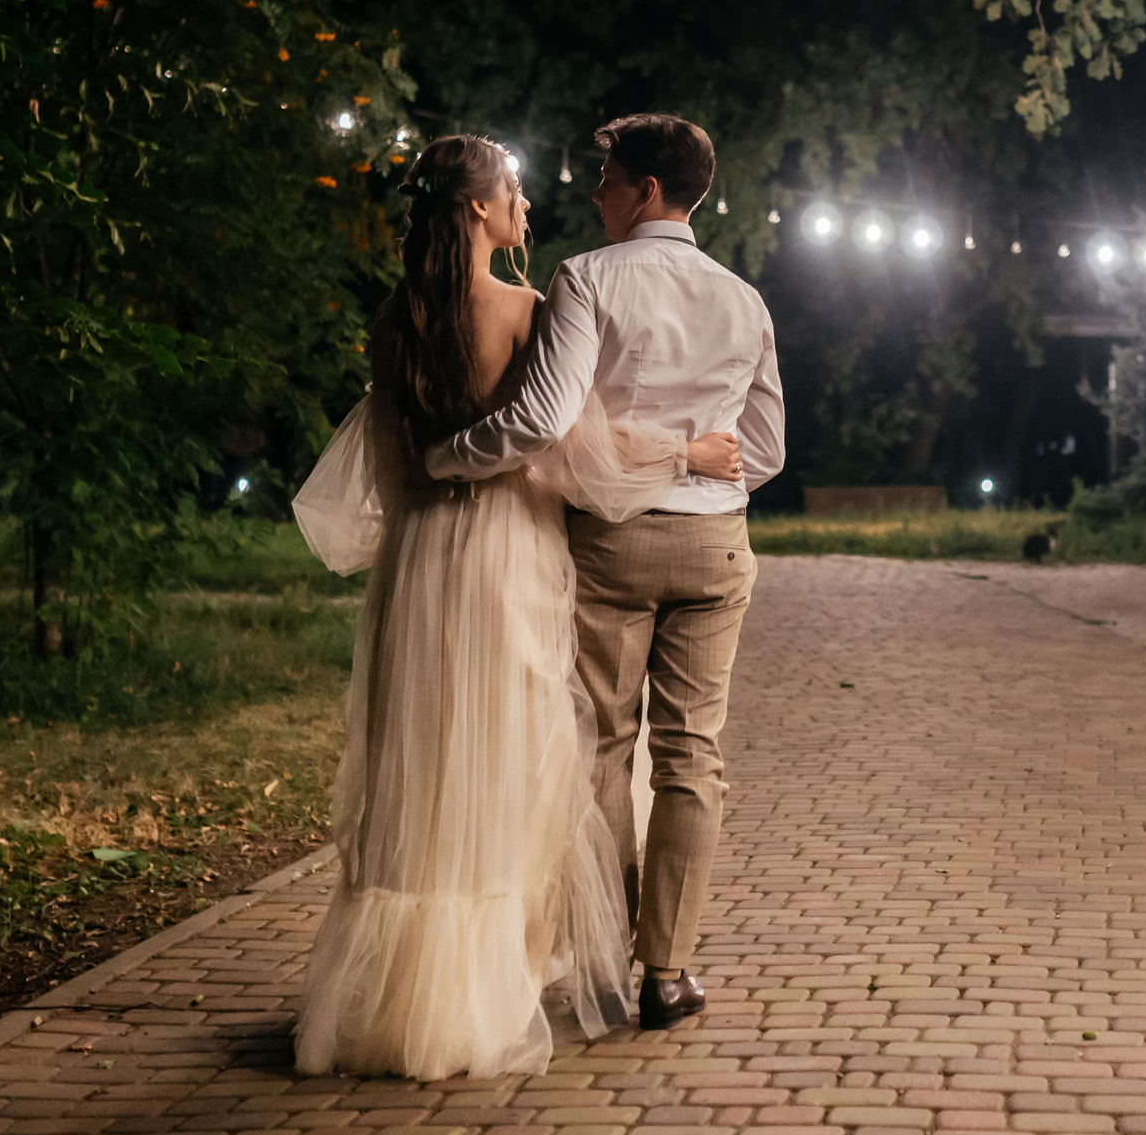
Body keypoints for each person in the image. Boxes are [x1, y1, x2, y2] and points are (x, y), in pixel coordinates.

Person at [287, 134, 745, 1081]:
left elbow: (388, 453)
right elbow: (567, 443)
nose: (528, 210)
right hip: (505, 548)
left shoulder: (395, 316)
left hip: (419, 557)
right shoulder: (528, 307)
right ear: (478, 212)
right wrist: (681, 455)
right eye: (516, 195)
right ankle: (485, 991)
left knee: (421, 763)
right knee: (508, 759)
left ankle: (400, 996)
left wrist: (430, 488)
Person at [427, 113, 784, 1031]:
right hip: (716, 548)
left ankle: (602, 958)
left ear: (649, 192)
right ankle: (667, 971)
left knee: (602, 752)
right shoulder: (745, 299)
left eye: (608, 178)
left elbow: (542, 420)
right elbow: (767, 450)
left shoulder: (586, 277)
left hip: (615, 544)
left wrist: (447, 457)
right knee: (693, 757)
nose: (595, 193)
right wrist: (696, 459)